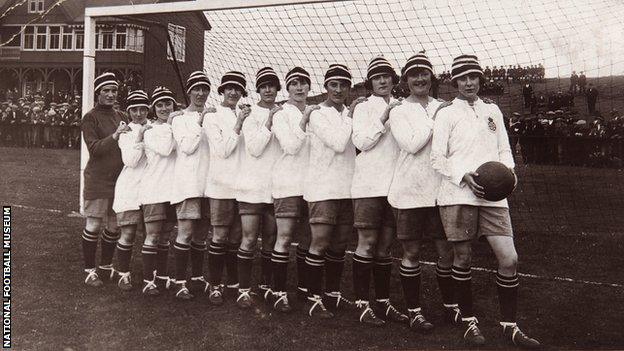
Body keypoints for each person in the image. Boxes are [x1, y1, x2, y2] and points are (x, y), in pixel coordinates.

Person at [430, 54, 541, 348]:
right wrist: (462, 176)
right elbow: (437, 158)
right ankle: (468, 322)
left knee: (510, 258)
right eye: (463, 78)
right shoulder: (446, 113)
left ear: (480, 79)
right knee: (462, 258)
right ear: (455, 82)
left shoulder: (492, 110)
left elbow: (505, 150)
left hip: (494, 198)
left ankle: (509, 326)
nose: (469, 83)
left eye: (473, 77)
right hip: (458, 195)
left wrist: (511, 175)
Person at [387, 52, 462, 333]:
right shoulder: (398, 110)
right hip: (409, 192)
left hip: (441, 192)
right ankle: (414, 311)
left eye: (424, 73)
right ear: (405, 80)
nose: (419, 78)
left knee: (446, 252)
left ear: (432, 77)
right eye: (413, 74)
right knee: (412, 252)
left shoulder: (445, 106)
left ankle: (451, 307)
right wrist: (437, 118)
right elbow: (411, 144)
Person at [349, 56, 405, 326]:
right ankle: (362, 304)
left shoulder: (403, 106)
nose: (382, 81)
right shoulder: (363, 108)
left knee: (385, 247)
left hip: (394, 187)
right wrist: (384, 117)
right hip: (368, 186)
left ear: (393, 79)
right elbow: (361, 142)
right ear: (370, 82)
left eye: (386, 76)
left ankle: (383, 302)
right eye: (377, 77)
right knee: (368, 244)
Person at [303, 64, 356, 319]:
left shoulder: (349, 112)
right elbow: (337, 143)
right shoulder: (316, 114)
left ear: (348, 88)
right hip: (322, 189)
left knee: (339, 245)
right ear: (326, 87)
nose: (338, 89)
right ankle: (313, 298)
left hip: (347, 189)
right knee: (320, 243)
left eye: (343, 85)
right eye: (333, 85)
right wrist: (351, 116)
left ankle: (332, 294)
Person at [235, 67, 283, 310]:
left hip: (275, 187)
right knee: (250, 238)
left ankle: (266, 286)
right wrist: (270, 121)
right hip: (252, 186)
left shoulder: (284, 112)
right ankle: (244, 289)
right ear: (258, 89)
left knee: (272, 239)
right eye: (263, 85)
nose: (268, 89)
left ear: (277, 88)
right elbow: (254, 148)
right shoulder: (250, 114)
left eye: (272, 85)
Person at [204, 71, 251, 307]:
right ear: (222, 90)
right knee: (220, 236)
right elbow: (223, 150)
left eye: (238, 88)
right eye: (229, 88)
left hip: (242, 187)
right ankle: (214, 285)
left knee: (236, 238)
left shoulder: (245, 113)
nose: (233, 92)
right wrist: (239, 123)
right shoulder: (213, 116)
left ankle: (233, 283)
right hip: (221, 186)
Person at [80, 72, 129, 287]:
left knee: (114, 226)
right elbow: (94, 148)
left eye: (114, 90)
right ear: (98, 93)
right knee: (94, 224)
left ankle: (106, 265)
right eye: (106, 91)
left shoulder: (121, 115)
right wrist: (115, 136)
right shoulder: (90, 117)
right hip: (98, 179)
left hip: (119, 180)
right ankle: (90, 270)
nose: (110, 94)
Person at [271, 67, 313, 306]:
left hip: (311, 184)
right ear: (287, 88)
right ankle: (279, 293)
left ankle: (304, 288)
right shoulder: (280, 113)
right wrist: (305, 121)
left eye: (303, 83)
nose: (299, 88)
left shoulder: (314, 110)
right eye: (294, 84)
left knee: (308, 238)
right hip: (287, 183)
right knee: (285, 238)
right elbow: (291, 146)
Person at [169, 71, 212, 300]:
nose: (201, 93)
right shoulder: (178, 118)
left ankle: (196, 277)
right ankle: (179, 281)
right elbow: (187, 147)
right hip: (187, 185)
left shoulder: (210, 115)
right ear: (189, 91)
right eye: (196, 89)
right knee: (185, 233)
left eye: (205, 89)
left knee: (201, 234)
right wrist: (201, 121)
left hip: (208, 185)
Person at [139, 86, 179, 295]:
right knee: (153, 236)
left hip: (172, 191)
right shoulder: (150, 130)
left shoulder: (175, 126)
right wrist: (173, 123)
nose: (164, 108)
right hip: (154, 189)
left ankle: (161, 275)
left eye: (168, 104)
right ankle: (148, 280)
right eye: (160, 105)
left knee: (165, 237)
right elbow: (165, 149)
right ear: (154, 108)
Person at [112, 90, 151, 291]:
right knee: (128, 233)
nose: (138, 113)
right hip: (130, 189)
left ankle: (150, 277)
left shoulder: (155, 127)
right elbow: (131, 161)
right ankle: (123, 274)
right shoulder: (126, 132)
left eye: (142, 108)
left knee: (151, 236)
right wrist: (141, 138)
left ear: (147, 109)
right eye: (134, 109)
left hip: (152, 189)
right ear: (129, 111)